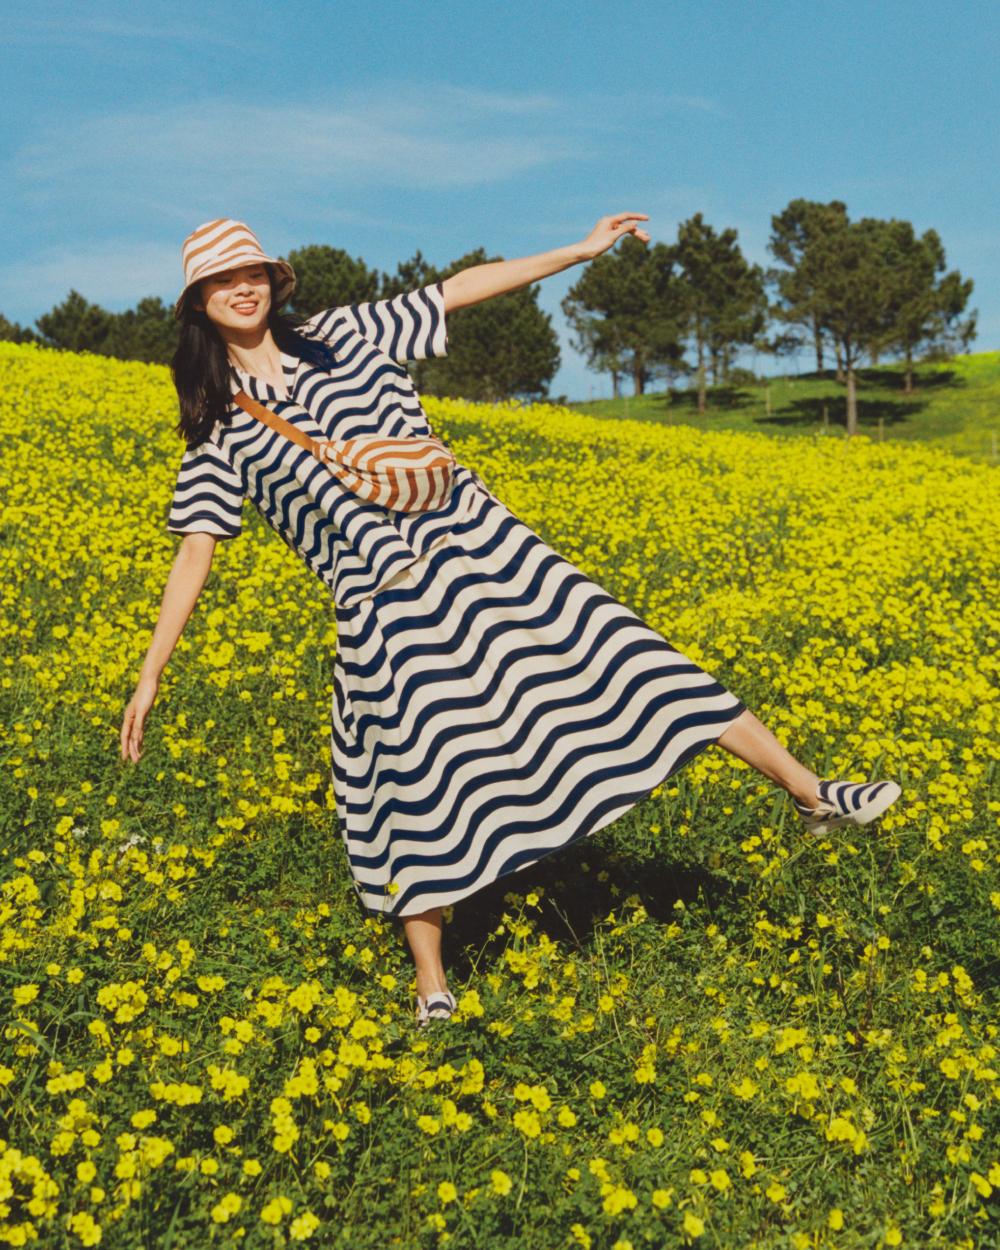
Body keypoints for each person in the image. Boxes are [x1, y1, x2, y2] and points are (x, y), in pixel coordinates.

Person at [120, 215, 901, 1027]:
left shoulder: (343, 333)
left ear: (273, 283)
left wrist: (577, 251)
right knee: (415, 775)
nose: (241, 288)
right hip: (382, 596)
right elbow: (195, 550)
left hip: (481, 541)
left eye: (251, 272)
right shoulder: (221, 421)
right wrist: (151, 672)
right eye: (220, 280)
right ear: (198, 304)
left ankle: (812, 793)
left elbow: (457, 290)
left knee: (626, 655)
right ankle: (432, 988)